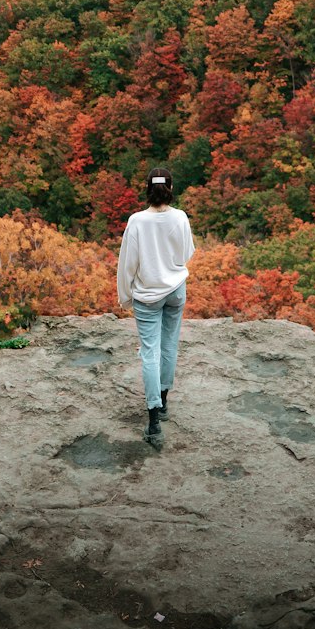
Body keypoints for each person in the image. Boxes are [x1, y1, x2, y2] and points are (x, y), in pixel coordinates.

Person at [117, 166, 195, 448]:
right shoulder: (181, 217)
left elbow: (128, 263)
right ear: (170, 189)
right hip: (175, 289)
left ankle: (153, 424)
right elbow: (187, 254)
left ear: (148, 189)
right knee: (169, 345)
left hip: (148, 295)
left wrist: (126, 295)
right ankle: (163, 403)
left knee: (150, 352)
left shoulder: (137, 221)